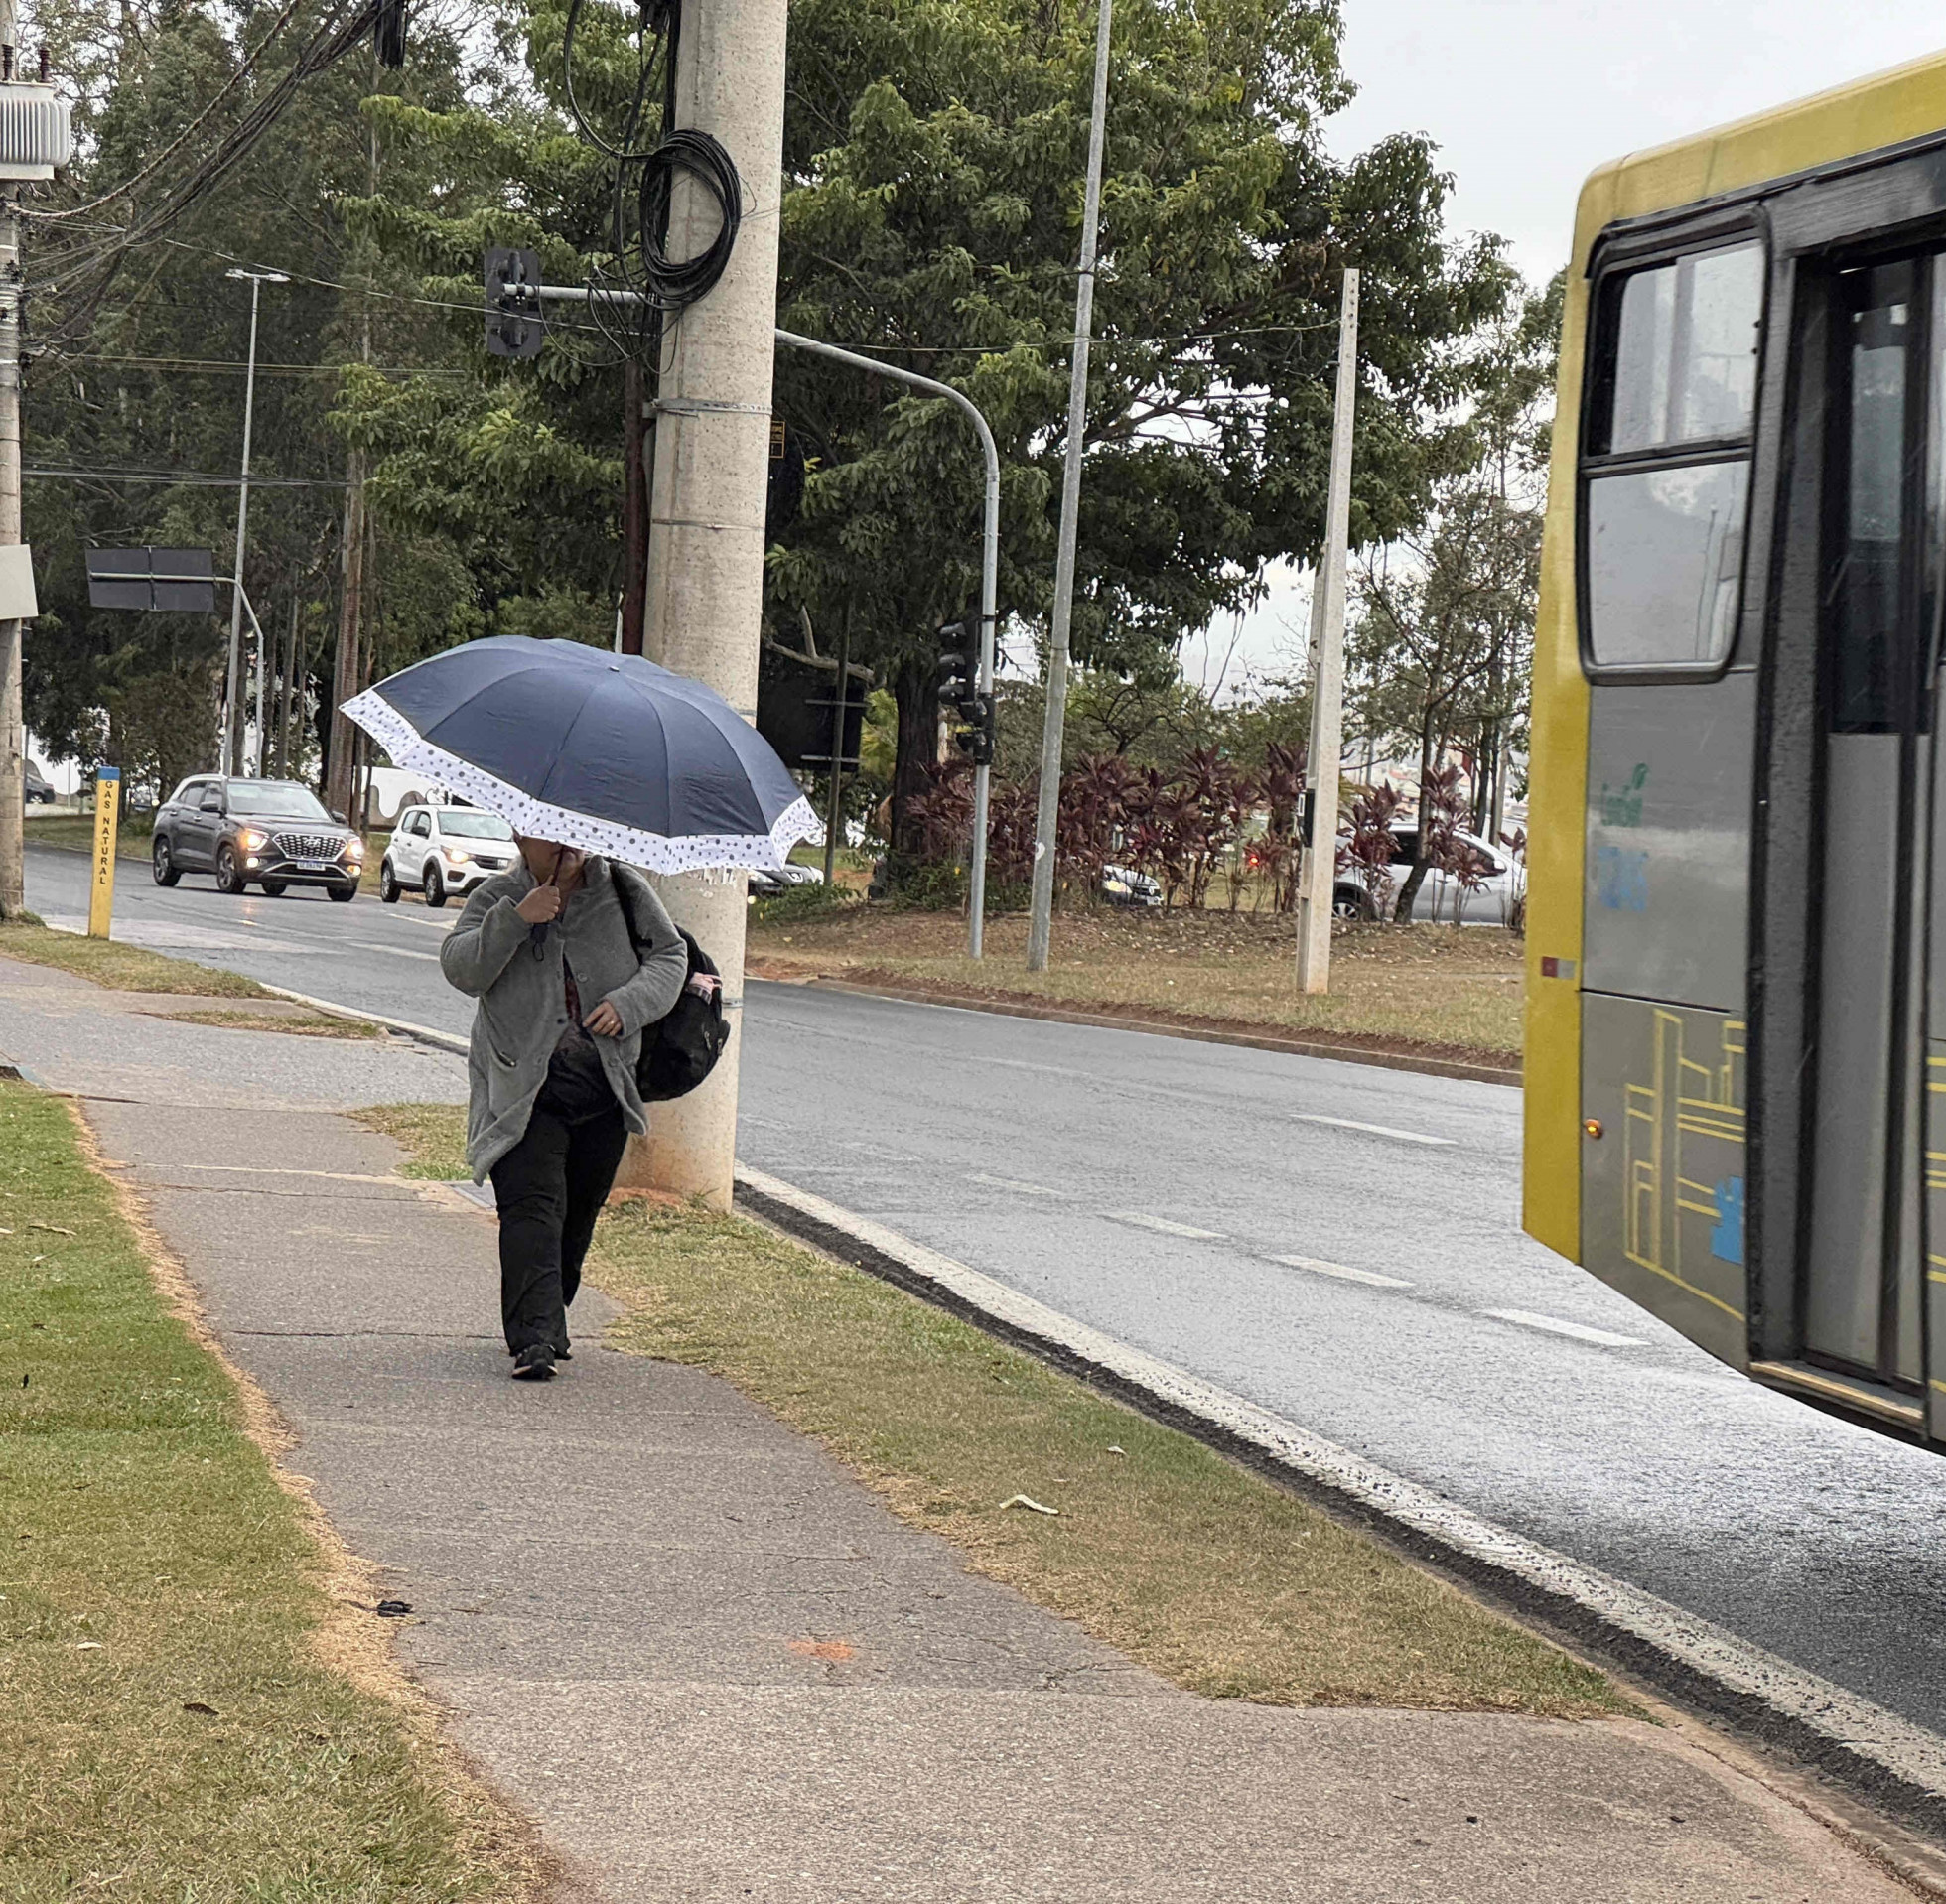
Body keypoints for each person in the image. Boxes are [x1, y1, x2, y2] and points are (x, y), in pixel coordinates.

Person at [440, 833, 688, 1380]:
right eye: (550, 836)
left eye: (575, 836)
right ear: (520, 836)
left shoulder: (623, 889)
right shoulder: (497, 896)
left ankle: (548, 1315)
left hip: (603, 1088)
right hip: (522, 1091)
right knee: (533, 1208)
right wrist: (517, 919)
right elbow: (461, 969)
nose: (565, 845)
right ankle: (533, 1339)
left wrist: (629, 1005)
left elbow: (671, 956)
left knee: (576, 1215)